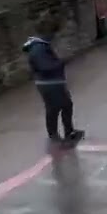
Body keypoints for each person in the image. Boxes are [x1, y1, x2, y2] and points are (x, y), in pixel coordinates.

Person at [23, 15, 84, 146]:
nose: (54, 37)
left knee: (63, 106)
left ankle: (66, 132)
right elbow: (44, 67)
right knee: (56, 108)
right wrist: (61, 62)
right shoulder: (38, 48)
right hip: (49, 84)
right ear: (47, 32)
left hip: (53, 82)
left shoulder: (40, 45)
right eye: (53, 33)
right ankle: (56, 135)